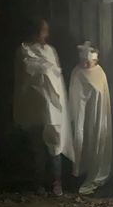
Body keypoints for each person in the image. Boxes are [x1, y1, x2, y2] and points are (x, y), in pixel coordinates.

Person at [13, 17, 73, 195]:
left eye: (46, 30)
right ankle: (38, 183)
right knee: (37, 148)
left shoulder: (50, 51)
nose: (46, 34)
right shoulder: (24, 50)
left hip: (52, 106)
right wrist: (44, 70)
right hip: (33, 106)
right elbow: (25, 75)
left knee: (54, 145)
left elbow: (56, 76)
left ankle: (56, 183)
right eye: (43, 30)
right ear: (36, 32)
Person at [68, 42, 112, 195]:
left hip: (95, 114)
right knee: (80, 138)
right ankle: (79, 171)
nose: (86, 64)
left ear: (95, 60)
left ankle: (94, 170)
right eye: (83, 61)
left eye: (89, 61)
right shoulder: (77, 73)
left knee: (95, 138)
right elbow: (75, 95)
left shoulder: (100, 73)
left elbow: (101, 95)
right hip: (81, 114)